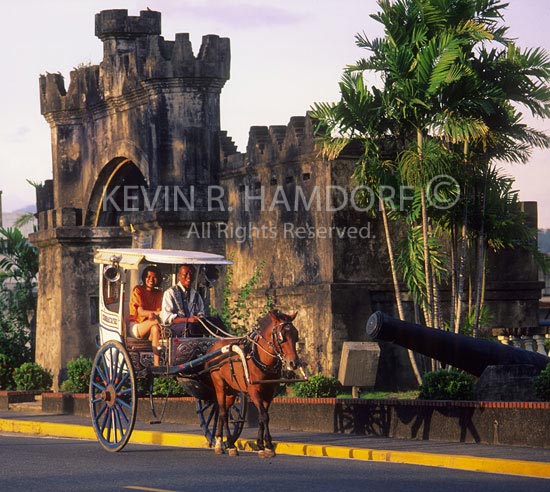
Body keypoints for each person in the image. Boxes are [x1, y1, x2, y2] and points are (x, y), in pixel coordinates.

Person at [128, 265, 163, 365]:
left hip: (152, 326)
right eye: (148, 277)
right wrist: (155, 314)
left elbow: (159, 310)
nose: (151, 280)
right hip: (137, 326)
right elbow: (141, 312)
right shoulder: (138, 290)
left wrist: (154, 315)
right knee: (158, 321)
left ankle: (157, 365)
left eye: (154, 277)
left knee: (155, 328)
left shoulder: (159, 293)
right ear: (144, 277)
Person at [161, 264, 205, 337]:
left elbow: (201, 311)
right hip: (174, 328)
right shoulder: (170, 293)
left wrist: (200, 316)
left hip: (193, 325)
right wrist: (188, 320)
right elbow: (169, 318)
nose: (189, 277)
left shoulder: (196, 294)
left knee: (215, 322)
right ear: (179, 276)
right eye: (185, 274)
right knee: (191, 327)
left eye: (191, 274)